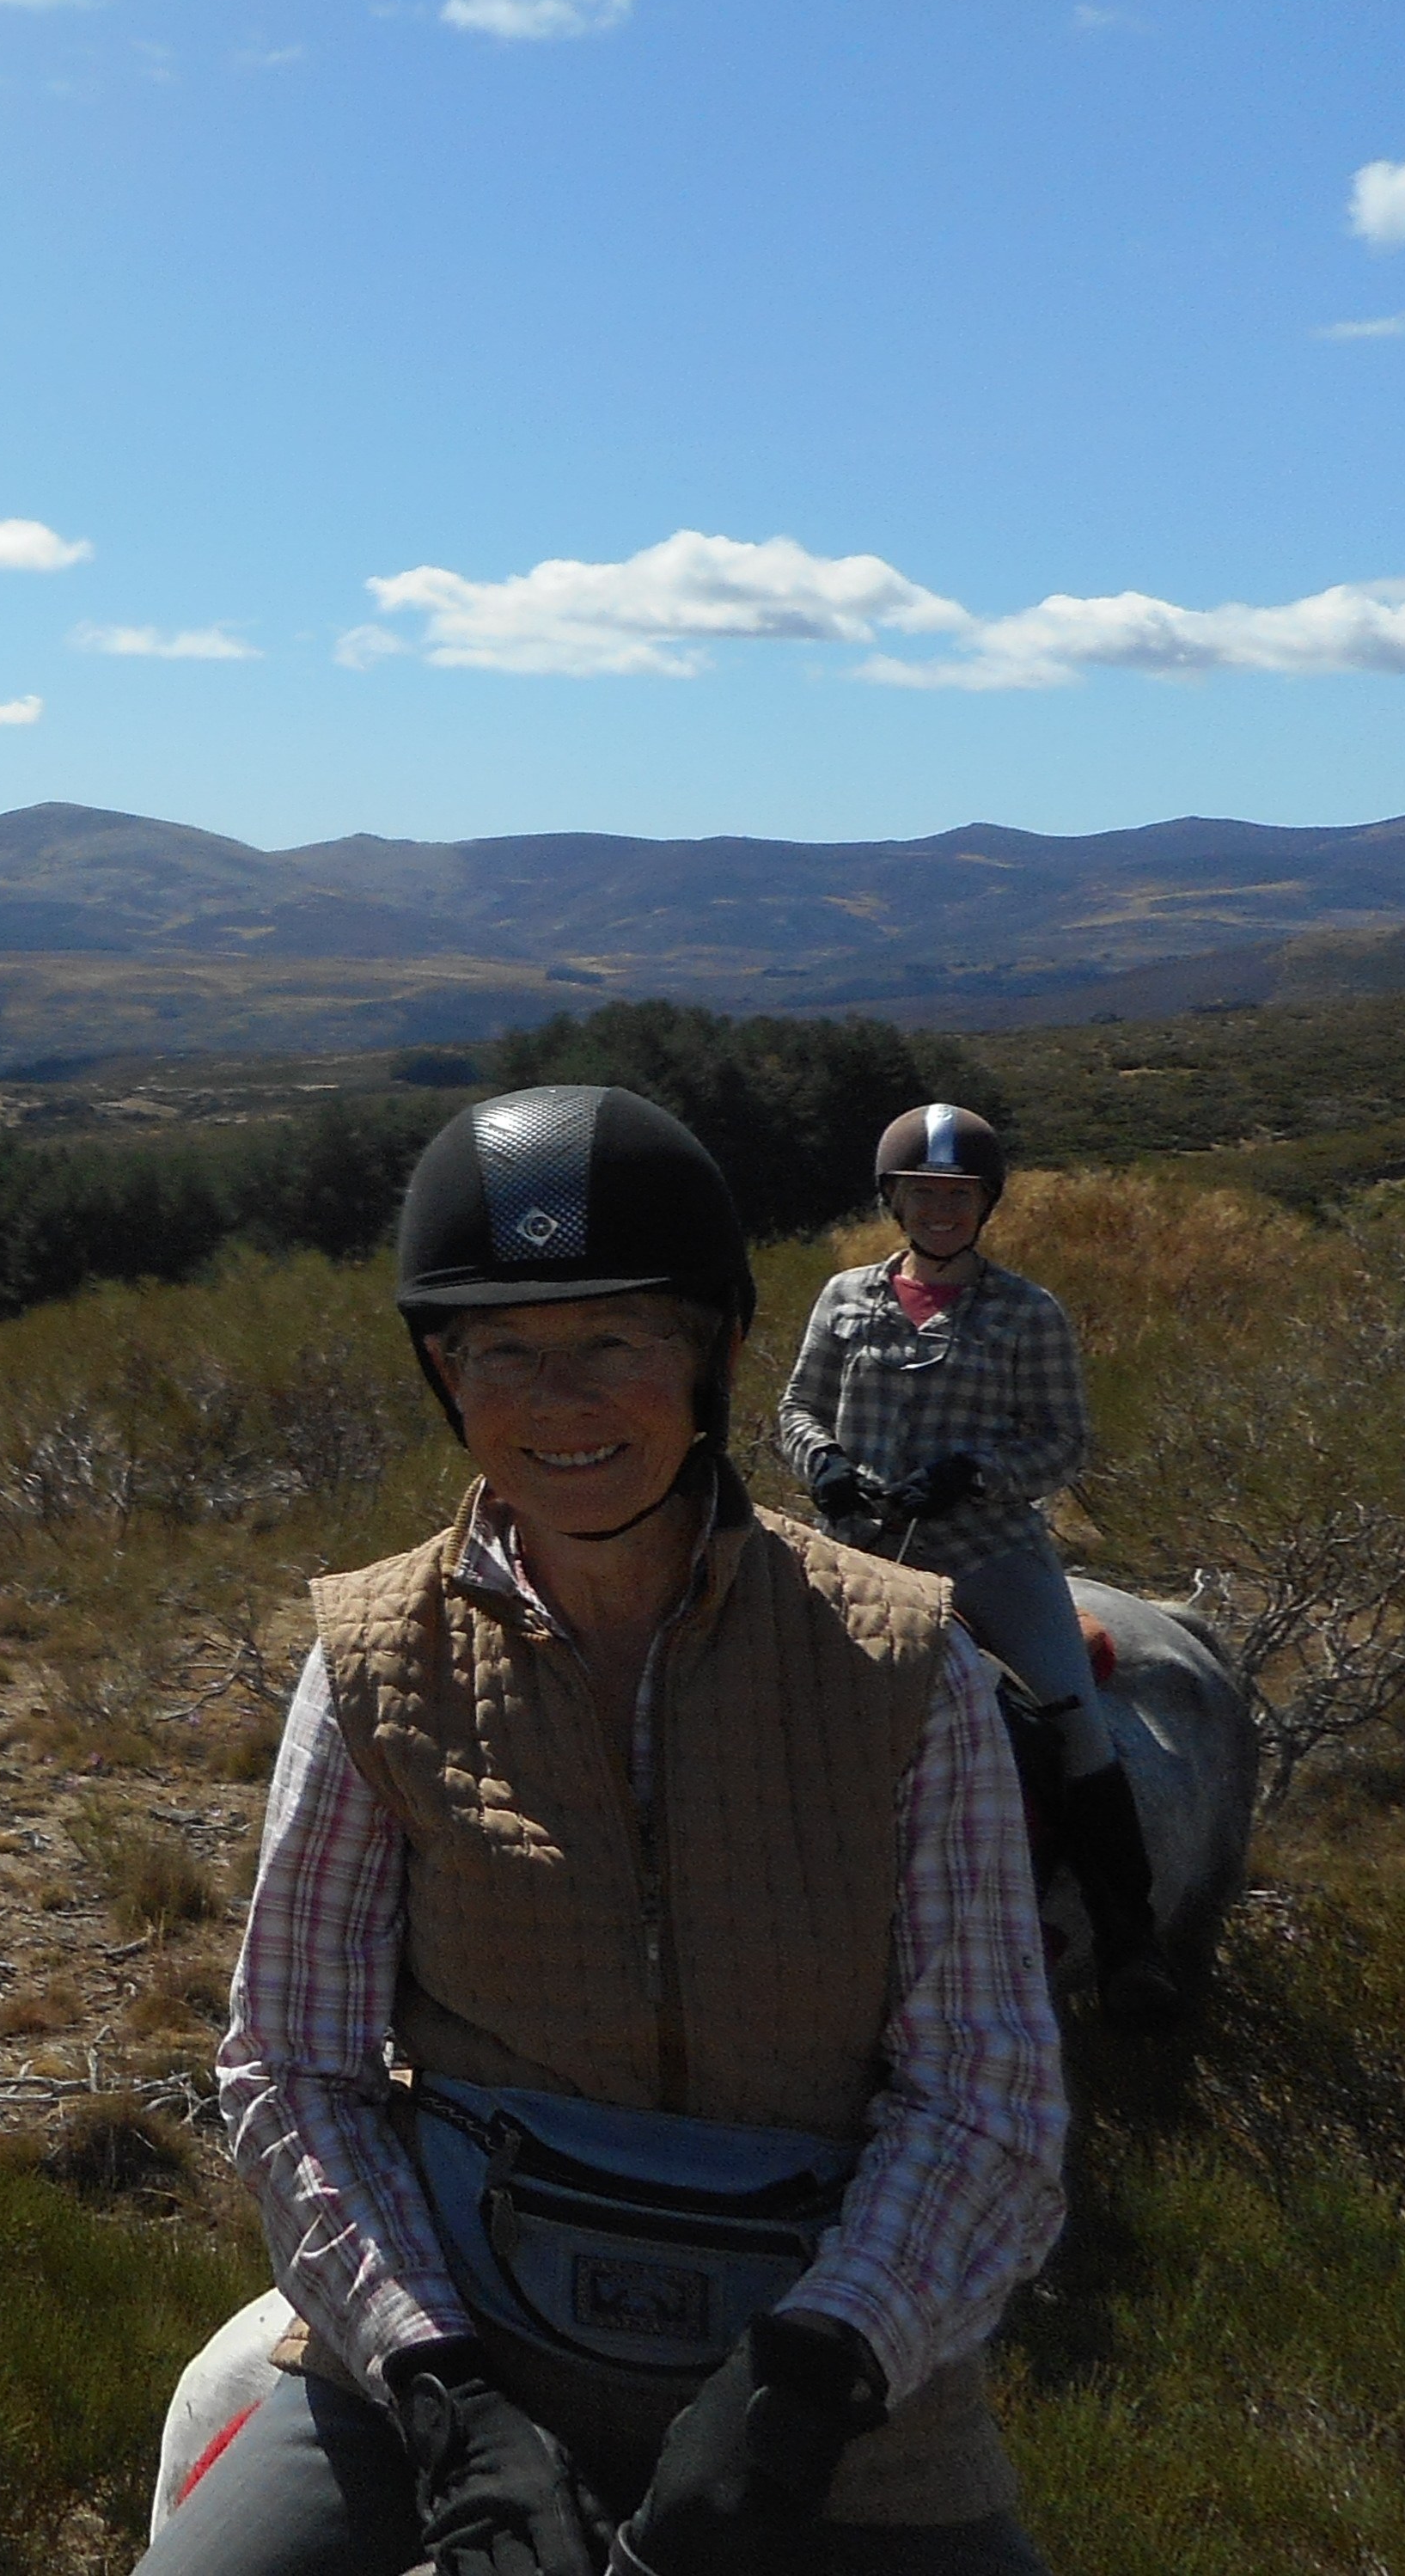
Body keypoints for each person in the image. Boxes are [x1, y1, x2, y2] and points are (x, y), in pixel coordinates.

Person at [151, 1086, 1066, 2576]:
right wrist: (436, 2385)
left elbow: (986, 2096)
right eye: (503, 1349)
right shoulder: (371, 1657)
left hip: (830, 2392)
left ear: (710, 1352)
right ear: (443, 1373)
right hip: (464, 2343)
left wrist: (814, 2373)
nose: (560, 1403)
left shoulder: (910, 1668)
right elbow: (294, 2062)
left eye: (615, 1341)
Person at [775, 1104, 1176, 2032]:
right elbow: (798, 1408)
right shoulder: (843, 1298)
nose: (941, 1210)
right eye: (923, 1194)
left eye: (957, 1195)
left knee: (1076, 1723)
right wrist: (821, 1463)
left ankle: (1129, 1941)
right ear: (895, 1201)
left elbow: (1064, 1442)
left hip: (986, 1555)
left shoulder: (1028, 1313)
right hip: (858, 1555)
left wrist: (977, 1473)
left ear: (985, 1204)